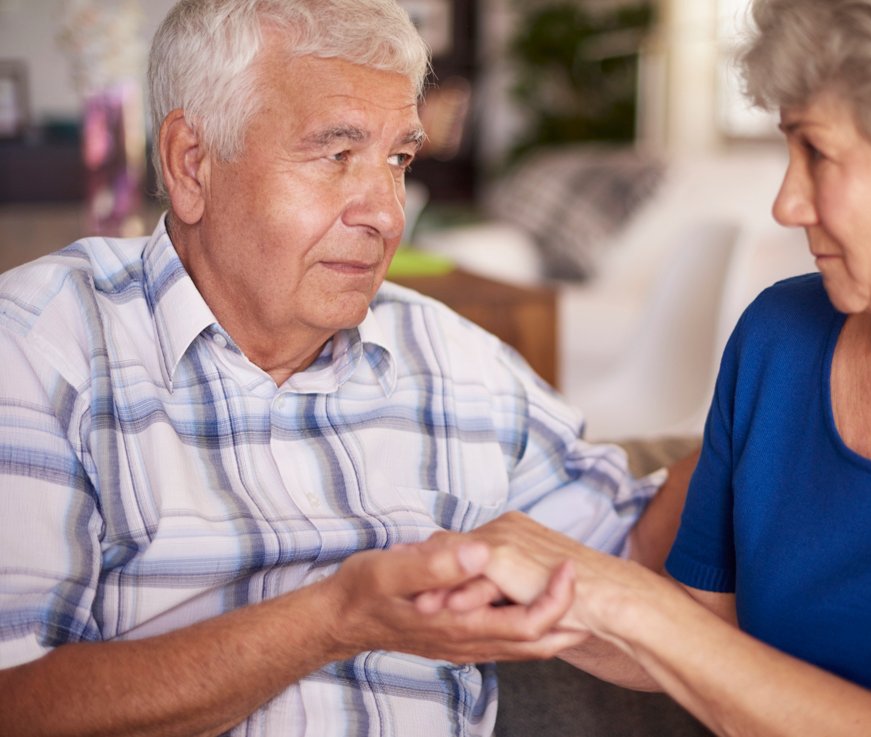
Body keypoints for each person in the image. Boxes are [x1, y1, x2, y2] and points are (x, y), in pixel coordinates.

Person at [0, 1, 697, 735]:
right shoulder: (42, 347)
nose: (388, 215)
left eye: (397, 159)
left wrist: (767, 396)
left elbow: (639, 565)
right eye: (336, 155)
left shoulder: (454, 360)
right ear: (191, 163)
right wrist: (334, 618)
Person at [457, 0, 871, 735]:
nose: (785, 204)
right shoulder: (782, 337)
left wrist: (624, 599)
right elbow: (699, 639)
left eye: (817, 152)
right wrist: (493, 587)